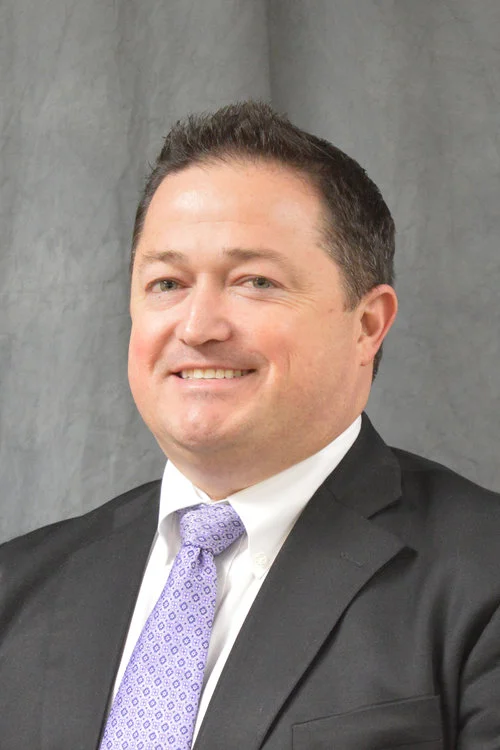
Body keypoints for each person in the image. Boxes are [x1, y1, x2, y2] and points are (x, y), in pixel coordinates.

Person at [0, 101, 499, 750]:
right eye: (167, 283)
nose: (197, 326)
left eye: (255, 281)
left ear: (367, 325)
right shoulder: (16, 588)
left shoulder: (482, 575)